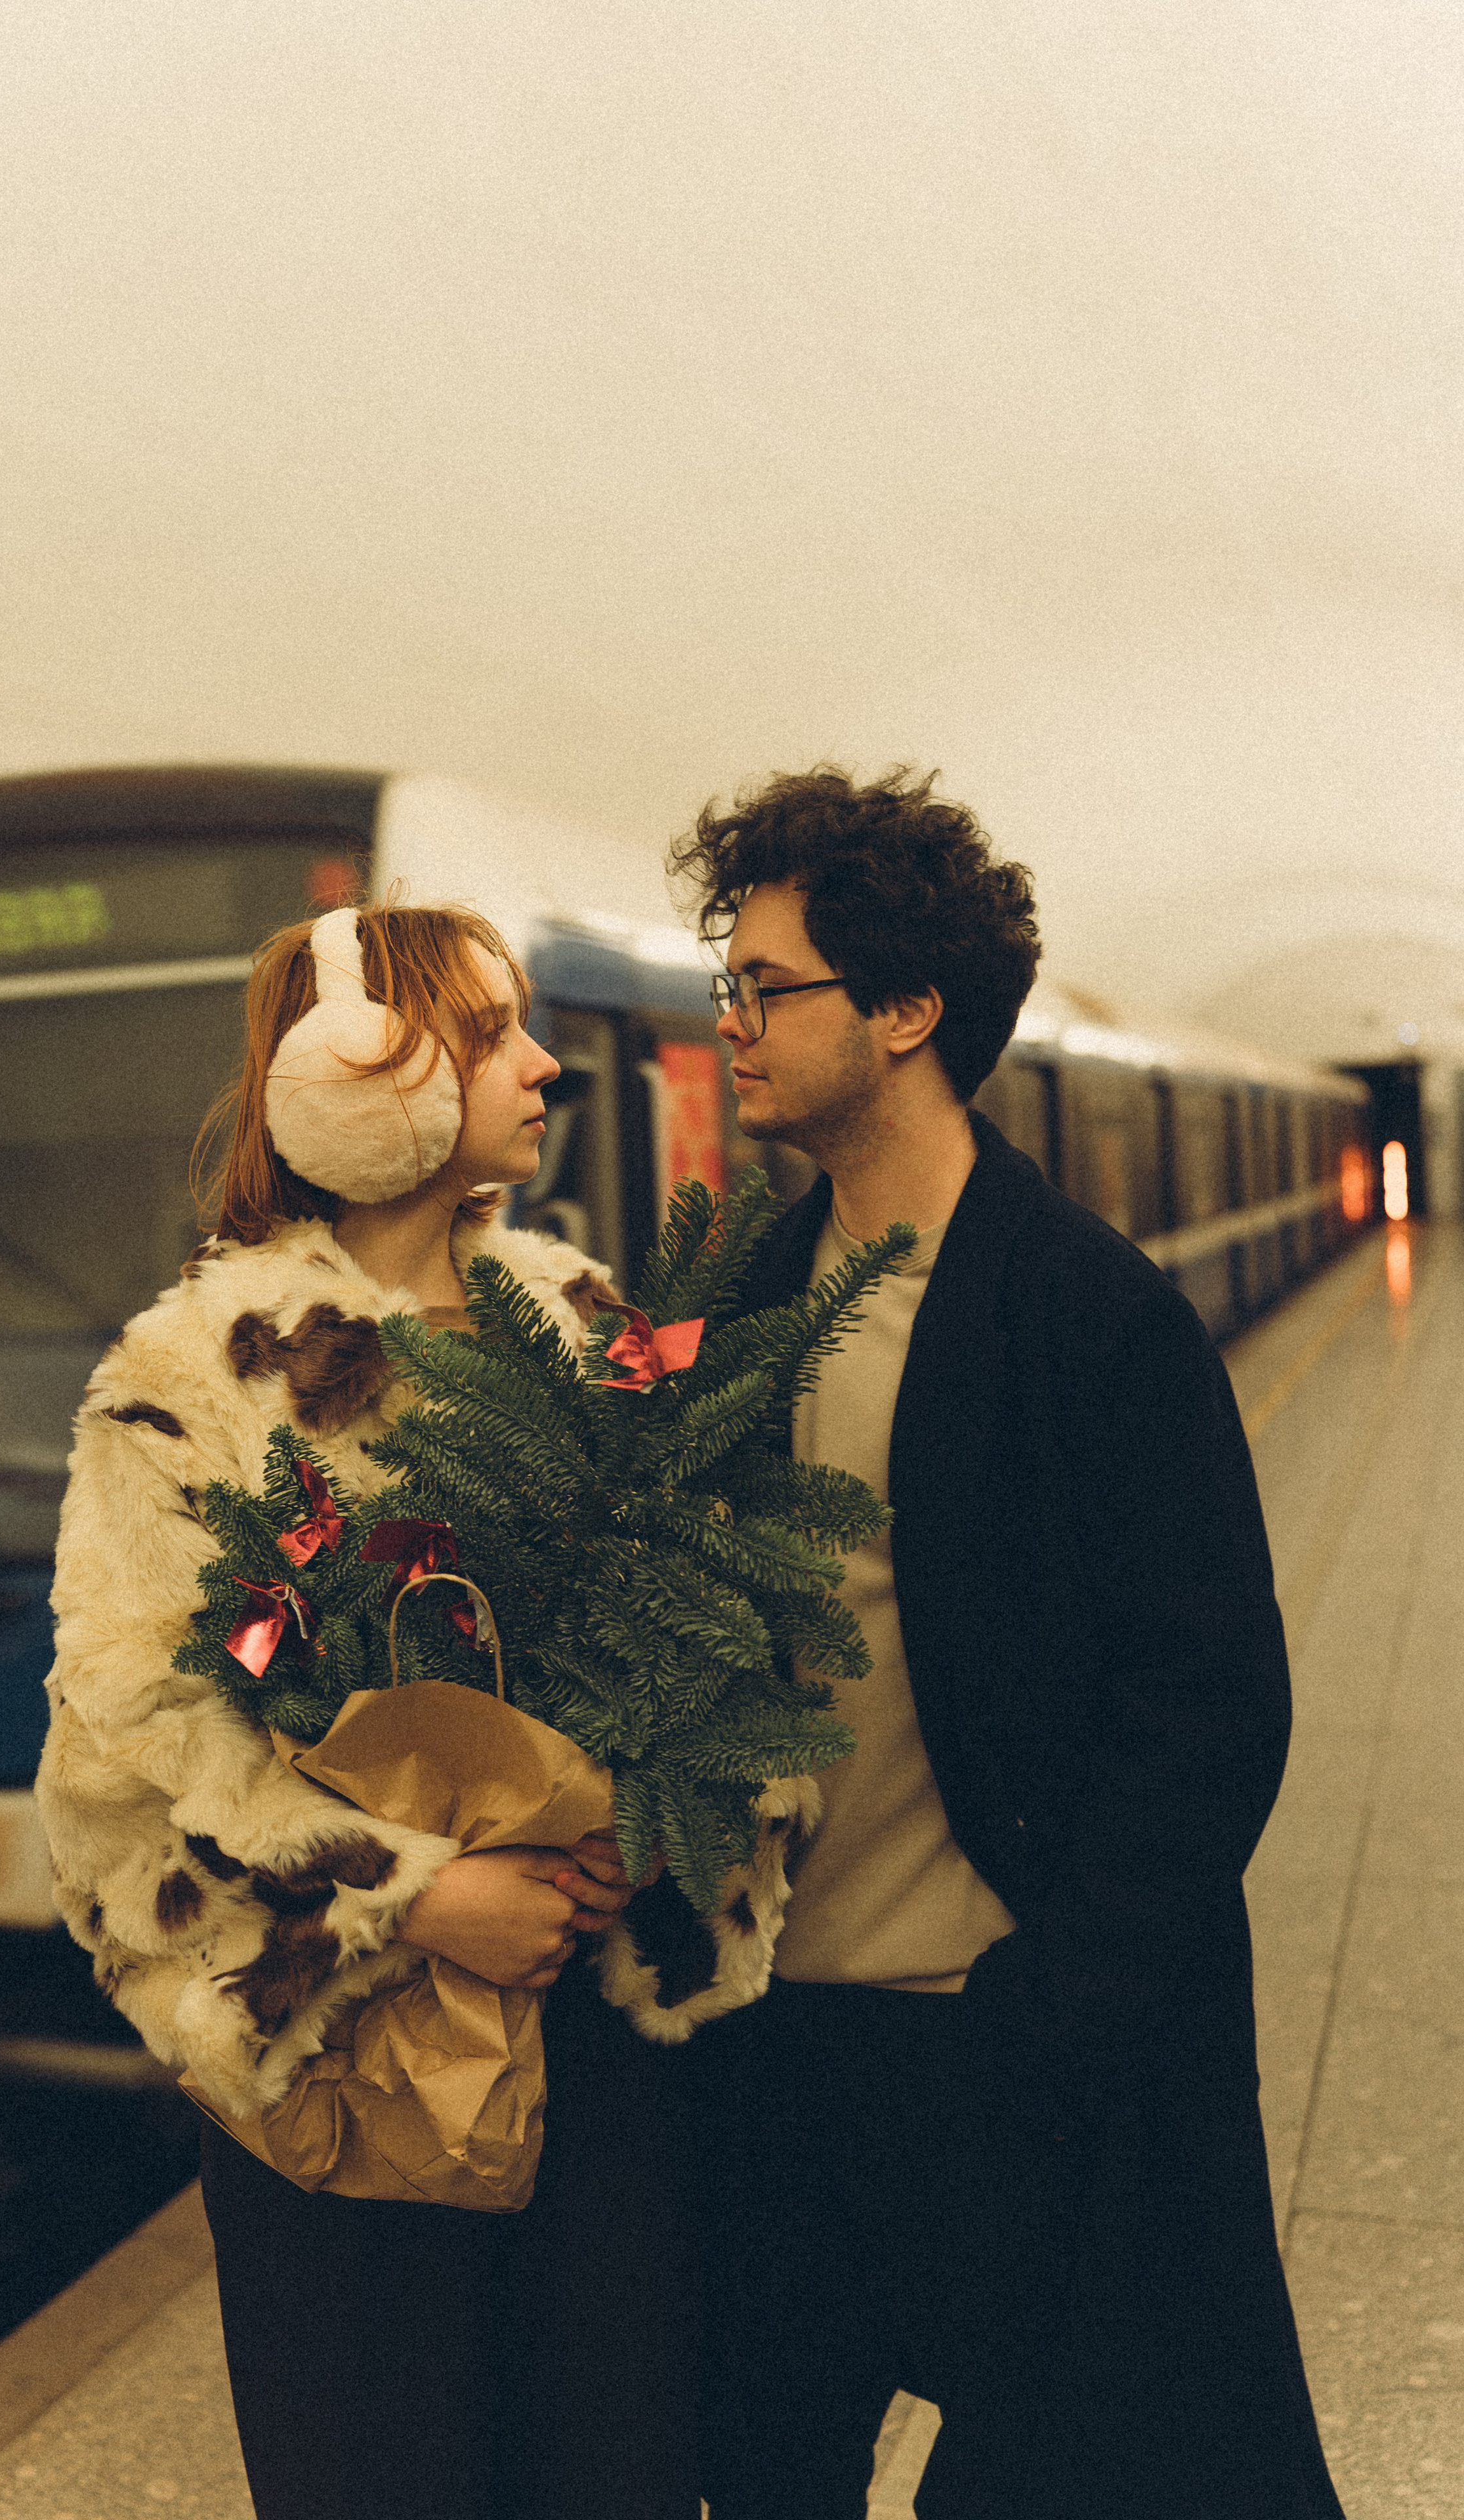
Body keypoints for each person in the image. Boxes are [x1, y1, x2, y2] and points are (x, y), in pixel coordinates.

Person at [36, 900, 797, 2520]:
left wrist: (658, 1830)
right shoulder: (190, 1384)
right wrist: (420, 1898)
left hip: (607, 2064)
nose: (541, 1069)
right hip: (344, 2085)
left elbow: (738, 1629)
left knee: (622, 2472)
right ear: (351, 1081)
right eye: (488, 1036)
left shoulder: (589, 1323)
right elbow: (126, 1777)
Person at [670, 768, 1346, 2520]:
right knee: (766, 2476)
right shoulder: (743, 1309)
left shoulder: (1093, 1318)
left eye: (768, 986)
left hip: (1001, 2048)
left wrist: (1054, 2006)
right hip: (776, 2066)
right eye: (726, 981)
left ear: (907, 1012)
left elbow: (1212, 1706)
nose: (729, 1023)